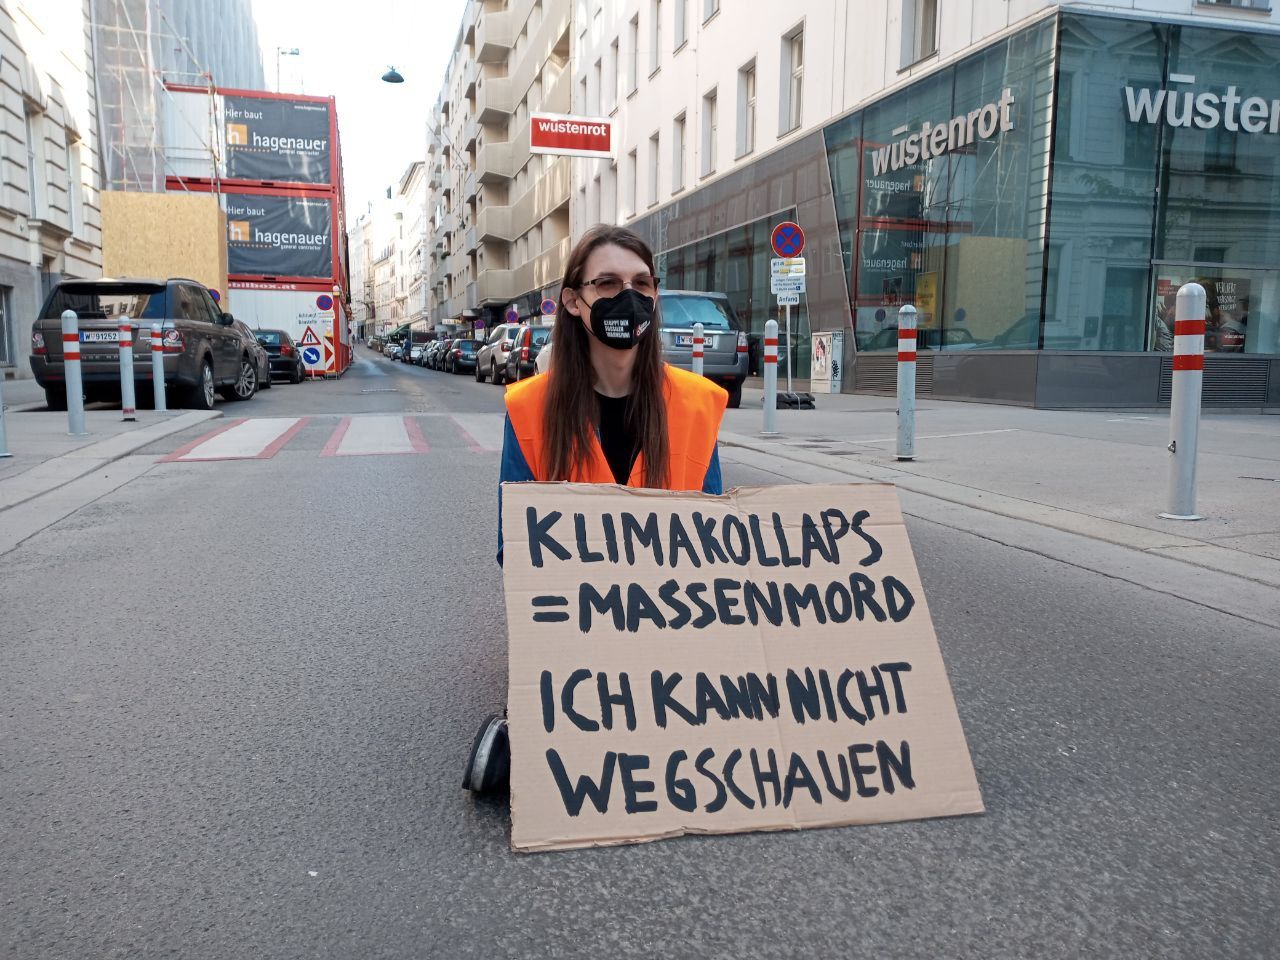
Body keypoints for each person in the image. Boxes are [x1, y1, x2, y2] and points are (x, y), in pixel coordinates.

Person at [462, 224, 728, 794]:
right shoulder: (531, 408)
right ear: (575, 302)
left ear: (655, 298)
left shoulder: (696, 405)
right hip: (577, 634)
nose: (626, 297)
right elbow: (518, 551)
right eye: (606, 283)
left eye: (640, 284)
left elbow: (717, 545)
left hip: (674, 628)